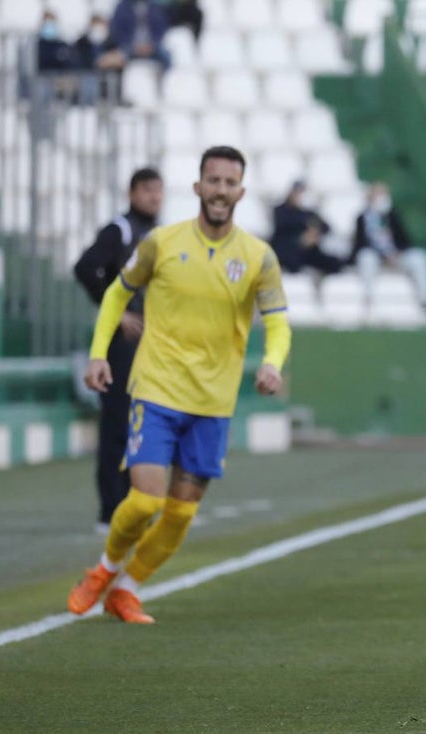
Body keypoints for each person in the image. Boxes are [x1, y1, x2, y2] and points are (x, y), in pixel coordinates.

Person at [66, 146, 291, 624]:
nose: (221, 191)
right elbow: (115, 294)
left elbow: (278, 322)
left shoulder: (258, 258)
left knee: (181, 514)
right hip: (157, 389)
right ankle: (103, 570)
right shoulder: (160, 243)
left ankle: (127, 590)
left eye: (230, 183)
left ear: (241, 192)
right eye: (213, 181)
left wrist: (272, 363)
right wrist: (98, 353)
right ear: (197, 187)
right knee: (145, 499)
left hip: (213, 402)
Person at [73, 167, 163, 533]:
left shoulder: (156, 234)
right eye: (147, 191)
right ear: (132, 194)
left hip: (148, 340)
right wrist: (116, 308)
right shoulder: (120, 229)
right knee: (118, 421)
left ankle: (135, 506)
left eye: (158, 191)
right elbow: (85, 267)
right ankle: (110, 510)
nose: (154, 197)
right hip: (120, 342)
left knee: (142, 421)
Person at [350, 182, 426, 308]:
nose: (383, 197)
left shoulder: (393, 215)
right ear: (371, 196)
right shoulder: (362, 218)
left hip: (396, 256)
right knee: (365, 257)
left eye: (385, 194)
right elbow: (360, 244)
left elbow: (405, 240)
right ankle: (368, 298)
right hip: (376, 257)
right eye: (379, 194)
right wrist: (383, 255)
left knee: (420, 256)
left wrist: (397, 253)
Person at [270, 180, 344, 277]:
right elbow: (284, 225)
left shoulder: (308, 212)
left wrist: (314, 234)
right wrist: (302, 237)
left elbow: (327, 227)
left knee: (335, 263)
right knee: (292, 262)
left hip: (308, 252)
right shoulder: (280, 210)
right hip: (288, 251)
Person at [73, 12, 127, 104]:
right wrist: (98, 62)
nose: (99, 28)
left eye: (101, 25)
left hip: (109, 78)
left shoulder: (111, 42)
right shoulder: (81, 43)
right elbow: (78, 62)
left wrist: (109, 61)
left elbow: (119, 59)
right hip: (88, 77)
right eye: (96, 25)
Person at [109, 0, 172, 71]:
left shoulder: (155, 7)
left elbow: (161, 29)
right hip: (129, 46)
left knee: (166, 56)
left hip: (151, 46)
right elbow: (117, 31)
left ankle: (165, 79)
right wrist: (133, 46)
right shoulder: (122, 7)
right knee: (116, 59)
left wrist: (152, 45)